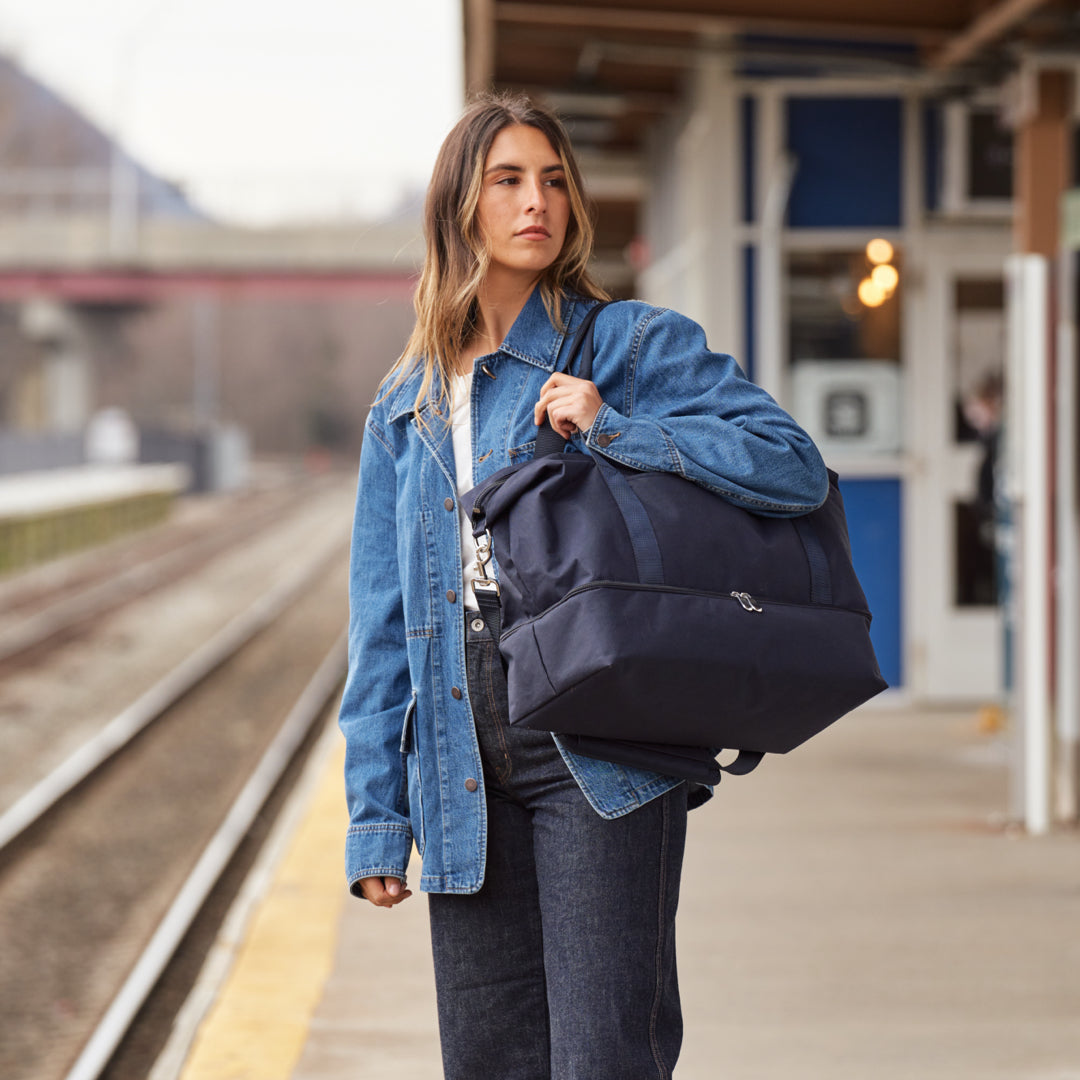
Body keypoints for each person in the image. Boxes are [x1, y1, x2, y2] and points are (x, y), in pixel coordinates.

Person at [338, 91, 828, 1080]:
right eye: (509, 181)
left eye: (555, 180)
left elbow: (793, 464)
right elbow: (383, 625)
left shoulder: (632, 345)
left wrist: (621, 430)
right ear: (458, 208)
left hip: (597, 741)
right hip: (461, 755)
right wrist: (376, 816)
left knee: (607, 1054)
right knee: (490, 1057)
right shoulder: (405, 406)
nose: (537, 203)